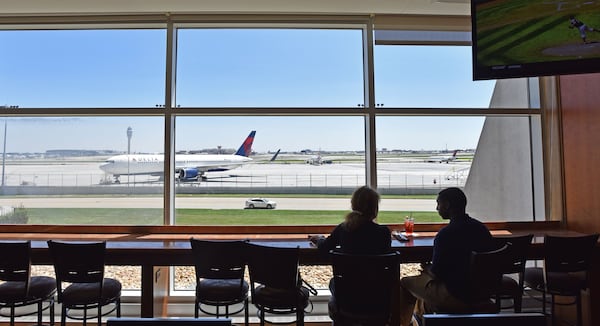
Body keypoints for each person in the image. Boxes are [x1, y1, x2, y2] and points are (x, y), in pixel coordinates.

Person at [398, 187, 496, 326]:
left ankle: (403, 323)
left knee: (406, 282)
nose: (437, 208)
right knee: (424, 284)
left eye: (439, 203)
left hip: (456, 295)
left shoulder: (446, 234)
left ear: (448, 205)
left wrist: (426, 268)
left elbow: (437, 274)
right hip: (481, 293)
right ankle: (422, 315)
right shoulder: (481, 229)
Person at [309, 185, 391, 254]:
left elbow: (324, 247)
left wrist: (319, 239)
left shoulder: (344, 229)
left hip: (349, 273)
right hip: (375, 273)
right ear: (374, 209)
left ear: (353, 205)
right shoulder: (384, 232)